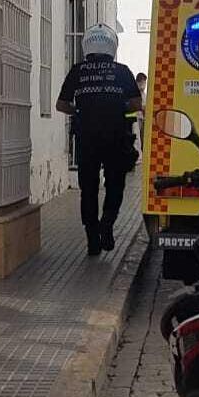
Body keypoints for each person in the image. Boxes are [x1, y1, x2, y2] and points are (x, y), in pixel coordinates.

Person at [57, 23, 143, 256]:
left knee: (89, 188)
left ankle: (92, 236)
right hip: (116, 137)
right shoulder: (122, 70)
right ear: (112, 47)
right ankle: (107, 222)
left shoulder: (78, 70)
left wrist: (81, 111)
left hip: (87, 138)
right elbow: (136, 104)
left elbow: (61, 105)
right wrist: (118, 107)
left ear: (87, 46)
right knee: (116, 184)